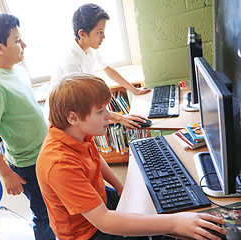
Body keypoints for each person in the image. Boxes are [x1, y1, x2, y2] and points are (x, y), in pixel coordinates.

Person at [36, 73, 226, 240]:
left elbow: (94, 158)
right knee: (168, 228)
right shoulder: (59, 164)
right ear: (73, 118)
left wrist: (119, 187)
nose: (109, 116)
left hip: (99, 201)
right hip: (87, 232)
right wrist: (175, 224)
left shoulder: (75, 132)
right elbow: (104, 222)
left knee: (157, 210)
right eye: (100, 111)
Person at [0, 13, 55, 240]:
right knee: (43, 215)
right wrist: (6, 173)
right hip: (28, 164)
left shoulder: (16, 70)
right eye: (17, 40)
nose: (24, 45)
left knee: (56, 205)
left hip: (44, 151)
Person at [47, 3, 150, 129]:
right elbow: (84, 102)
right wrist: (121, 118)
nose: (104, 37)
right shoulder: (70, 62)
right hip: (63, 118)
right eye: (99, 32)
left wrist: (134, 90)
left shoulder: (91, 48)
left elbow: (108, 70)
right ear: (82, 33)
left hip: (78, 110)